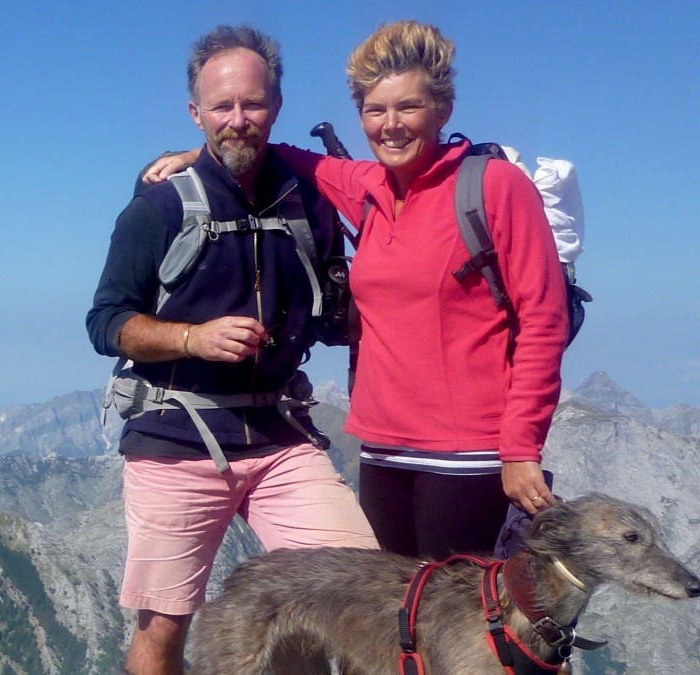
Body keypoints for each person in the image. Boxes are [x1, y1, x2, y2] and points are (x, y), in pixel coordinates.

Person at [141, 21, 567, 560]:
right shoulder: (369, 188)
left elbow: (543, 320)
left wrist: (521, 448)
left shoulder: (495, 188)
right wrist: (200, 158)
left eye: (408, 108)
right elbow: (299, 159)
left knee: (451, 629)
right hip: (383, 448)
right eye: (375, 111)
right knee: (393, 624)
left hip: (467, 453)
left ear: (443, 110)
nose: (390, 126)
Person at [87, 25, 378, 675]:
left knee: (364, 592)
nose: (238, 120)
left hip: (278, 434)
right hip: (176, 430)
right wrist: (194, 337)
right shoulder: (159, 209)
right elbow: (107, 321)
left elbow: (332, 311)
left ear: (275, 106)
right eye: (222, 107)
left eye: (252, 104)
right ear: (197, 113)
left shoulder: (309, 203)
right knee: (164, 623)